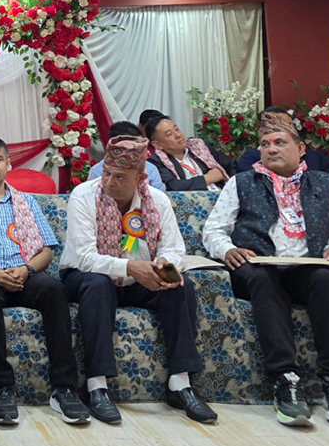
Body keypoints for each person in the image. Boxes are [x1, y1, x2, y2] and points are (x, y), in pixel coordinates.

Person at [202, 117, 329, 426]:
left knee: (325, 278)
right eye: (265, 144)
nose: (270, 149)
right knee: (263, 278)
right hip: (258, 267)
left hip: (307, 266)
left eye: (279, 143)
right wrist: (228, 250)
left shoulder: (326, 184)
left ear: (300, 149)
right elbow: (214, 230)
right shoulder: (241, 183)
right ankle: (285, 379)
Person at [62, 135, 216, 424]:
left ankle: (180, 383)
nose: (109, 182)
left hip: (140, 279)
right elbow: (85, 257)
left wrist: (163, 266)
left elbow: (174, 248)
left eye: (120, 177)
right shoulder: (83, 196)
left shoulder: (157, 200)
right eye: (107, 173)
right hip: (86, 277)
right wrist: (131, 267)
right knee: (97, 284)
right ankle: (97, 387)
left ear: (141, 177)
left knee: (180, 287)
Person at [0, 137, 90, 425]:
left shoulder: (27, 202)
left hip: (24, 275)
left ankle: (64, 388)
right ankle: (2, 387)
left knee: (53, 288)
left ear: (8, 164)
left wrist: (26, 269)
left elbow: (47, 250)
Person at [141, 110, 235, 192]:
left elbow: (230, 166)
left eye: (177, 129)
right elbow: (172, 186)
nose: (178, 135)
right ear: (157, 144)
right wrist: (207, 178)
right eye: (169, 134)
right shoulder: (156, 161)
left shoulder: (200, 146)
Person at [87, 121, 166, 191]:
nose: (139, 149)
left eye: (140, 144)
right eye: (134, 145)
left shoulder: (150, 168)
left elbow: (160, 195)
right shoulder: (97, 171)